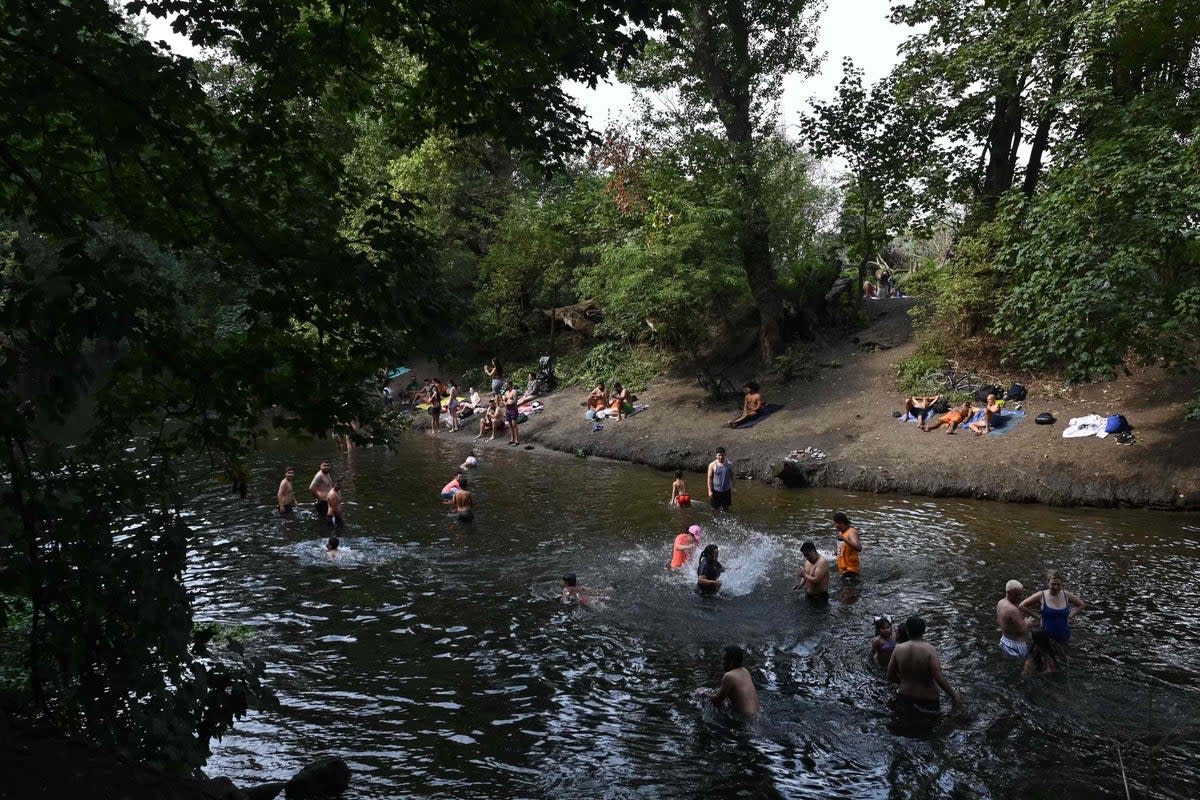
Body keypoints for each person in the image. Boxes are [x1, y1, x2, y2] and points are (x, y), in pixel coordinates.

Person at [886, 616, 963, 715]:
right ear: (924, 632)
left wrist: (906, 681)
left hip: (905, 695)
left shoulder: (898, 649)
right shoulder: (930, 650)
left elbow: (890, 676)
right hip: (928, 699)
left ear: (907, 631)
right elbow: (938, 677)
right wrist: (954, 695)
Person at [1019, 571, 1085, 645]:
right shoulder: (1041, 595)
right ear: (1048, 583)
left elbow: (1081, 605)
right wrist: (1038, 616)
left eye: (1058, 585)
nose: (1056, 587)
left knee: (1063, 653)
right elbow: (1022, 606)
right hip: (1046, 635)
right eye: (1053, 584)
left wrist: (1071, 614)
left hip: (1064, 634)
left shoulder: (1066, 595)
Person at [705, 645, 760, 717]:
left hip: (746, 720)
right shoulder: (745, 671)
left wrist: (703, 695)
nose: (721, 662)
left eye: (723, 659)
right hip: (758, 714)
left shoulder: (729, 676)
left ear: (731, 662)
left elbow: (717, 700)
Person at [996, 579, 1032, 658]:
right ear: (1008, 593)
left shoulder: (1000, 603)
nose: (1020, 597)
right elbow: (1022, 630)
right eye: (1016, 595)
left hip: (1004, 640)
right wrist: (1028, 623)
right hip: (1016, 645)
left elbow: (998, 621)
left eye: (1020, 594)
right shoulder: (1012, 610)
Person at [833, 512, 862, 579]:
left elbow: (859, 548)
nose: (835, 526)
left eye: (835, 523)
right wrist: (837, 552)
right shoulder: (841, 533)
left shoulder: (851, 532)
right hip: (843, 570)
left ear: (841, 523)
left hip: (851, 571)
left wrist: (844, 539)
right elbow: (844, 547)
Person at [707, 447, 733, 512]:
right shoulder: (712, 465)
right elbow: (709, 478)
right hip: (716, 491)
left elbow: (732, 476)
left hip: (726, 491)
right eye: (719, 455)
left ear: (725, 454)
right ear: (716, 455)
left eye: (722, 455)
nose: (721, 457)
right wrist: (709, 491)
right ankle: (715, 521)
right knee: (715, 509)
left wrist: (734, 487)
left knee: (726, 509)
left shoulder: (729, 464)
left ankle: (727, 521)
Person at [503, 381, 520, 445]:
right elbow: (504, 400)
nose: (505, 386)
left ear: (509, 385)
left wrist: (508, 404)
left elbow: (515, 402)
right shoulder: (506, 392)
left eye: (506, 385)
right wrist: (505, 404)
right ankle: (512, 439)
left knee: (514, 425)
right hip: (507, 410)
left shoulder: (514, 391)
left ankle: (517, 440)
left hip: (513, 410)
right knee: (510, 426)